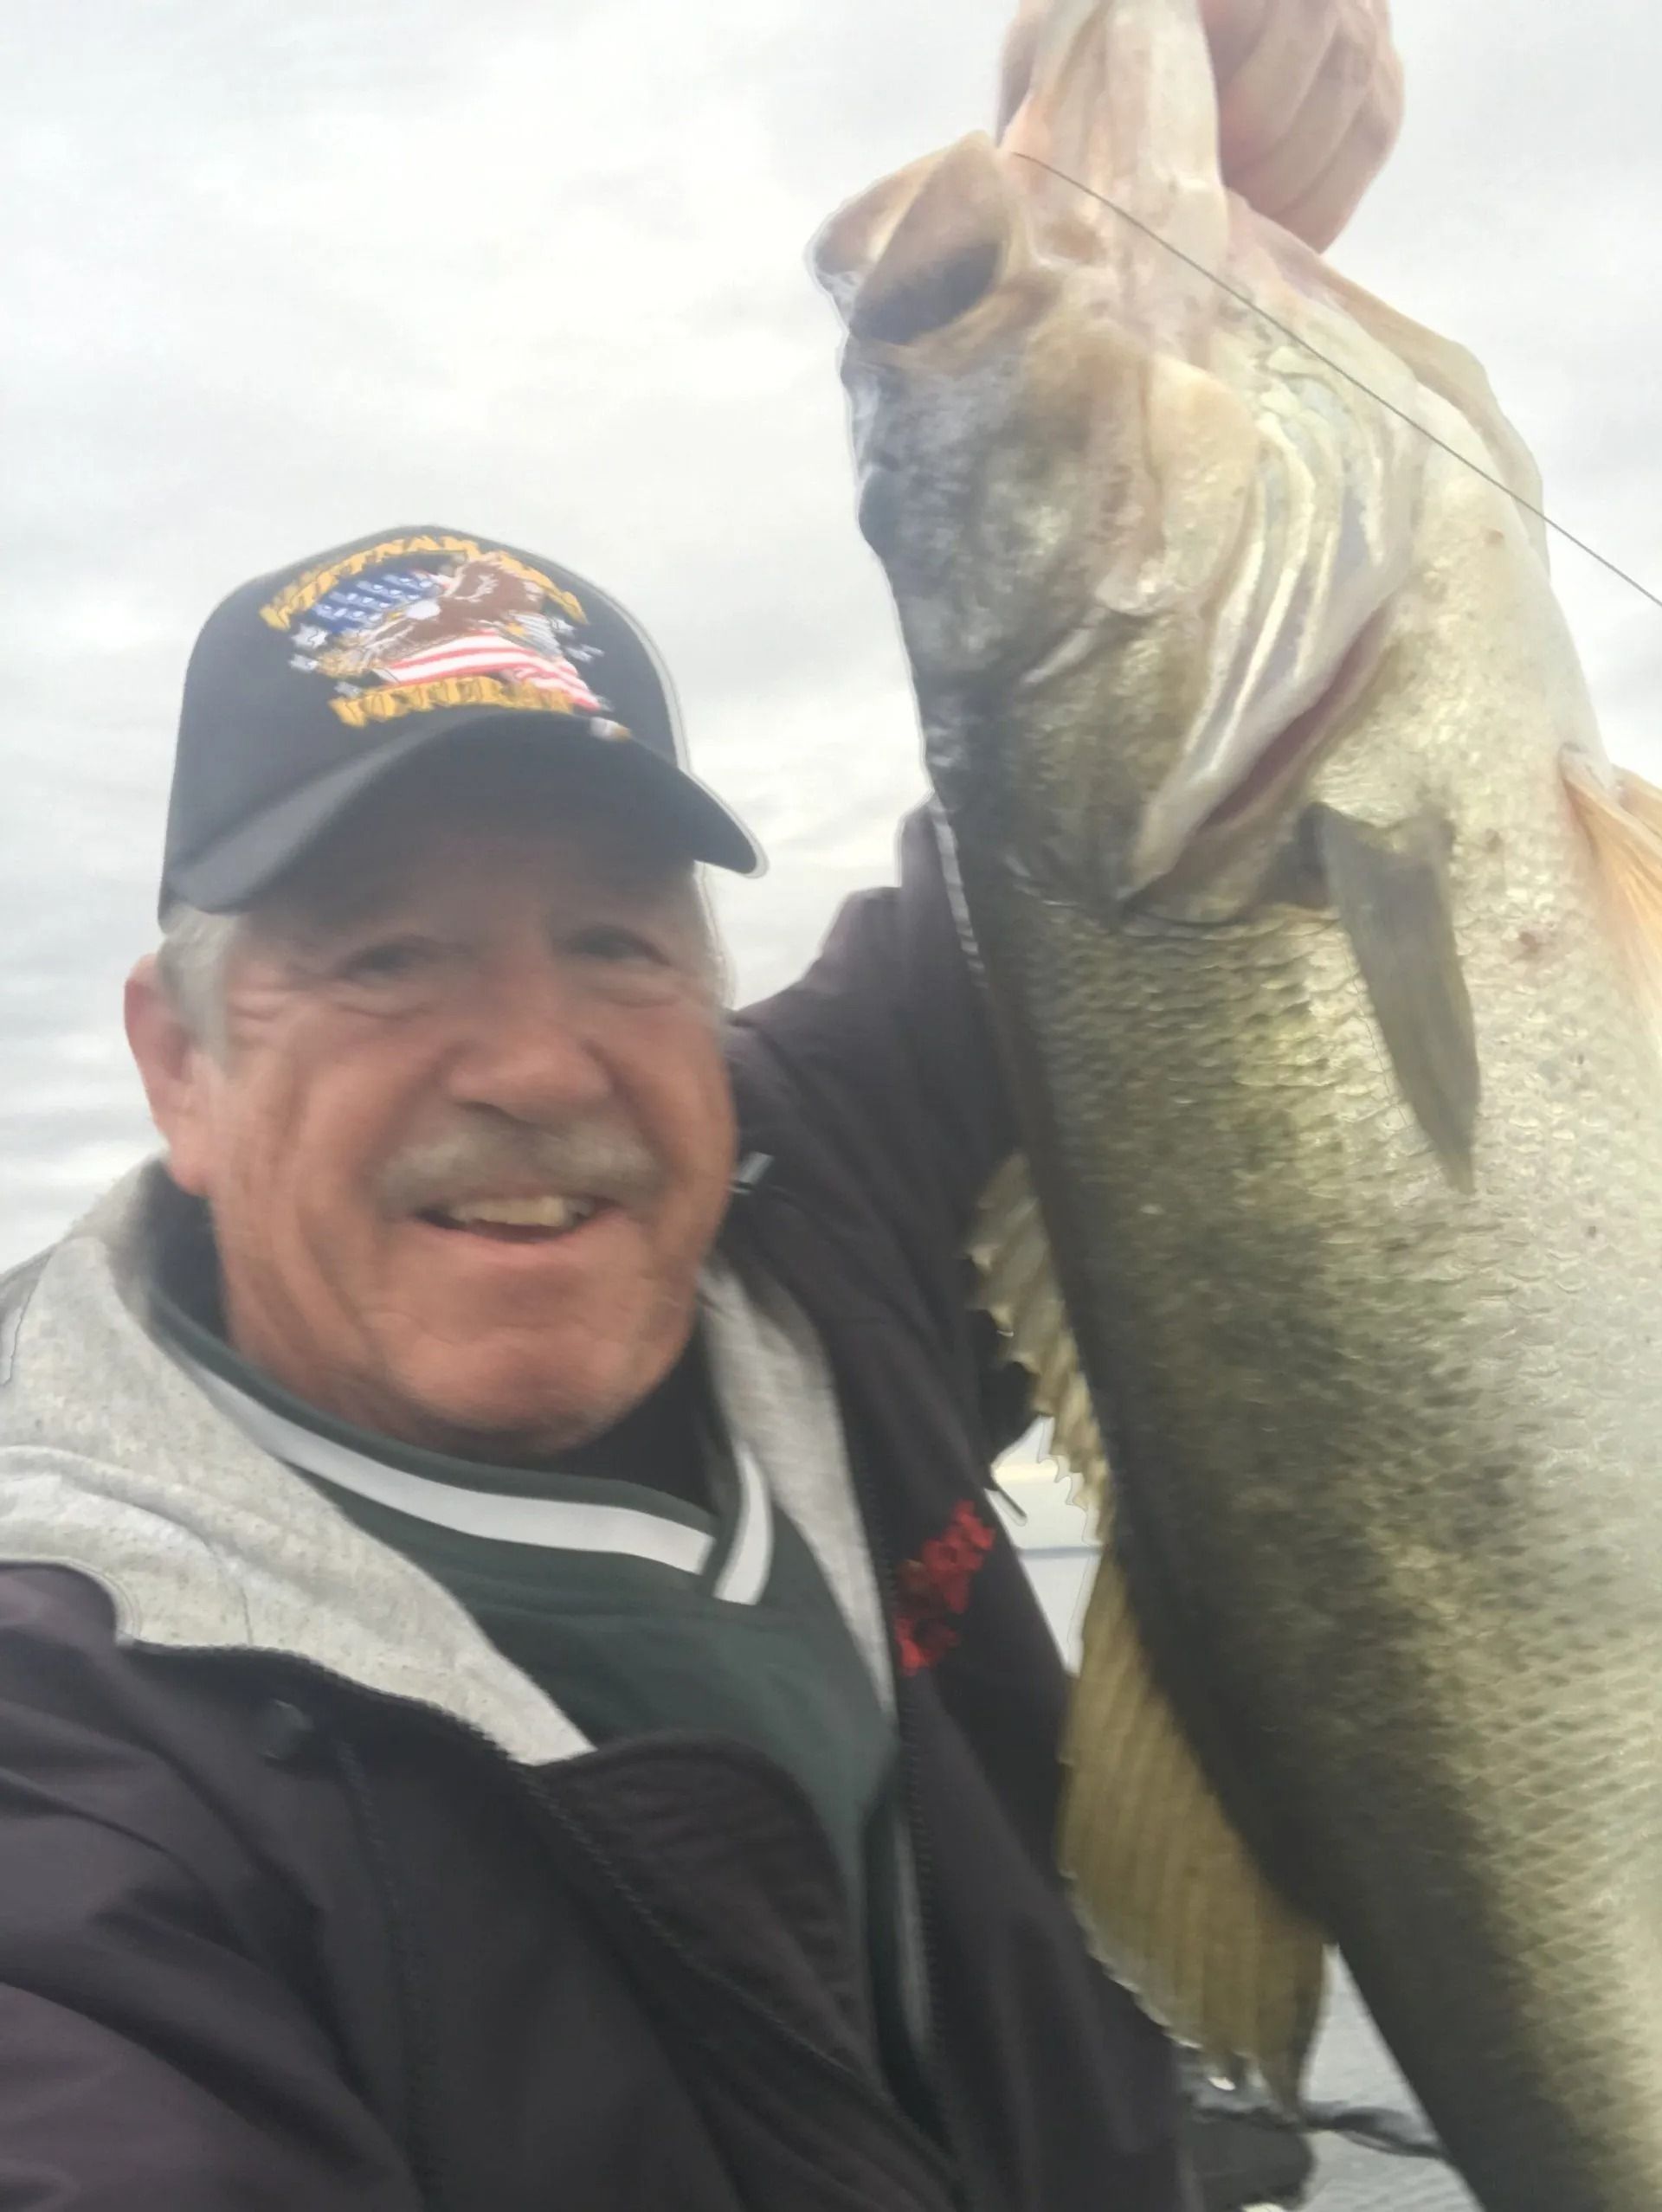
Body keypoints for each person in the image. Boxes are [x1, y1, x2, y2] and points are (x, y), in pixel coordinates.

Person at [0, 524, 1194, 2212]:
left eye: (619, 944)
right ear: (180, 1060)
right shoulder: (62, 1749)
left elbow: (1144, 780)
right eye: (385, 956)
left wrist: (1197, 340)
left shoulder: (813, 1197)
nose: (535, 1064)